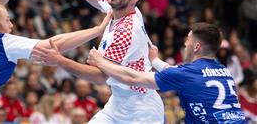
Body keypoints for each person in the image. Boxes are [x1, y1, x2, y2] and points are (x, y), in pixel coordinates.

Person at [38, 0, 164, 123]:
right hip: (119, 102)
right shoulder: (120, 9)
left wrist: (59, 60)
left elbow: (99, 76)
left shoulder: (126, 32)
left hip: (141, 110)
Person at [87, 22, 247, 123]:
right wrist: (155, 60)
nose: (185, 43)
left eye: (188, 40)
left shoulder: (188, 74)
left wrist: (101, 62)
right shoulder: (223, 71)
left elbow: (133, 78)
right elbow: (177, 73)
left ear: (197, 47)